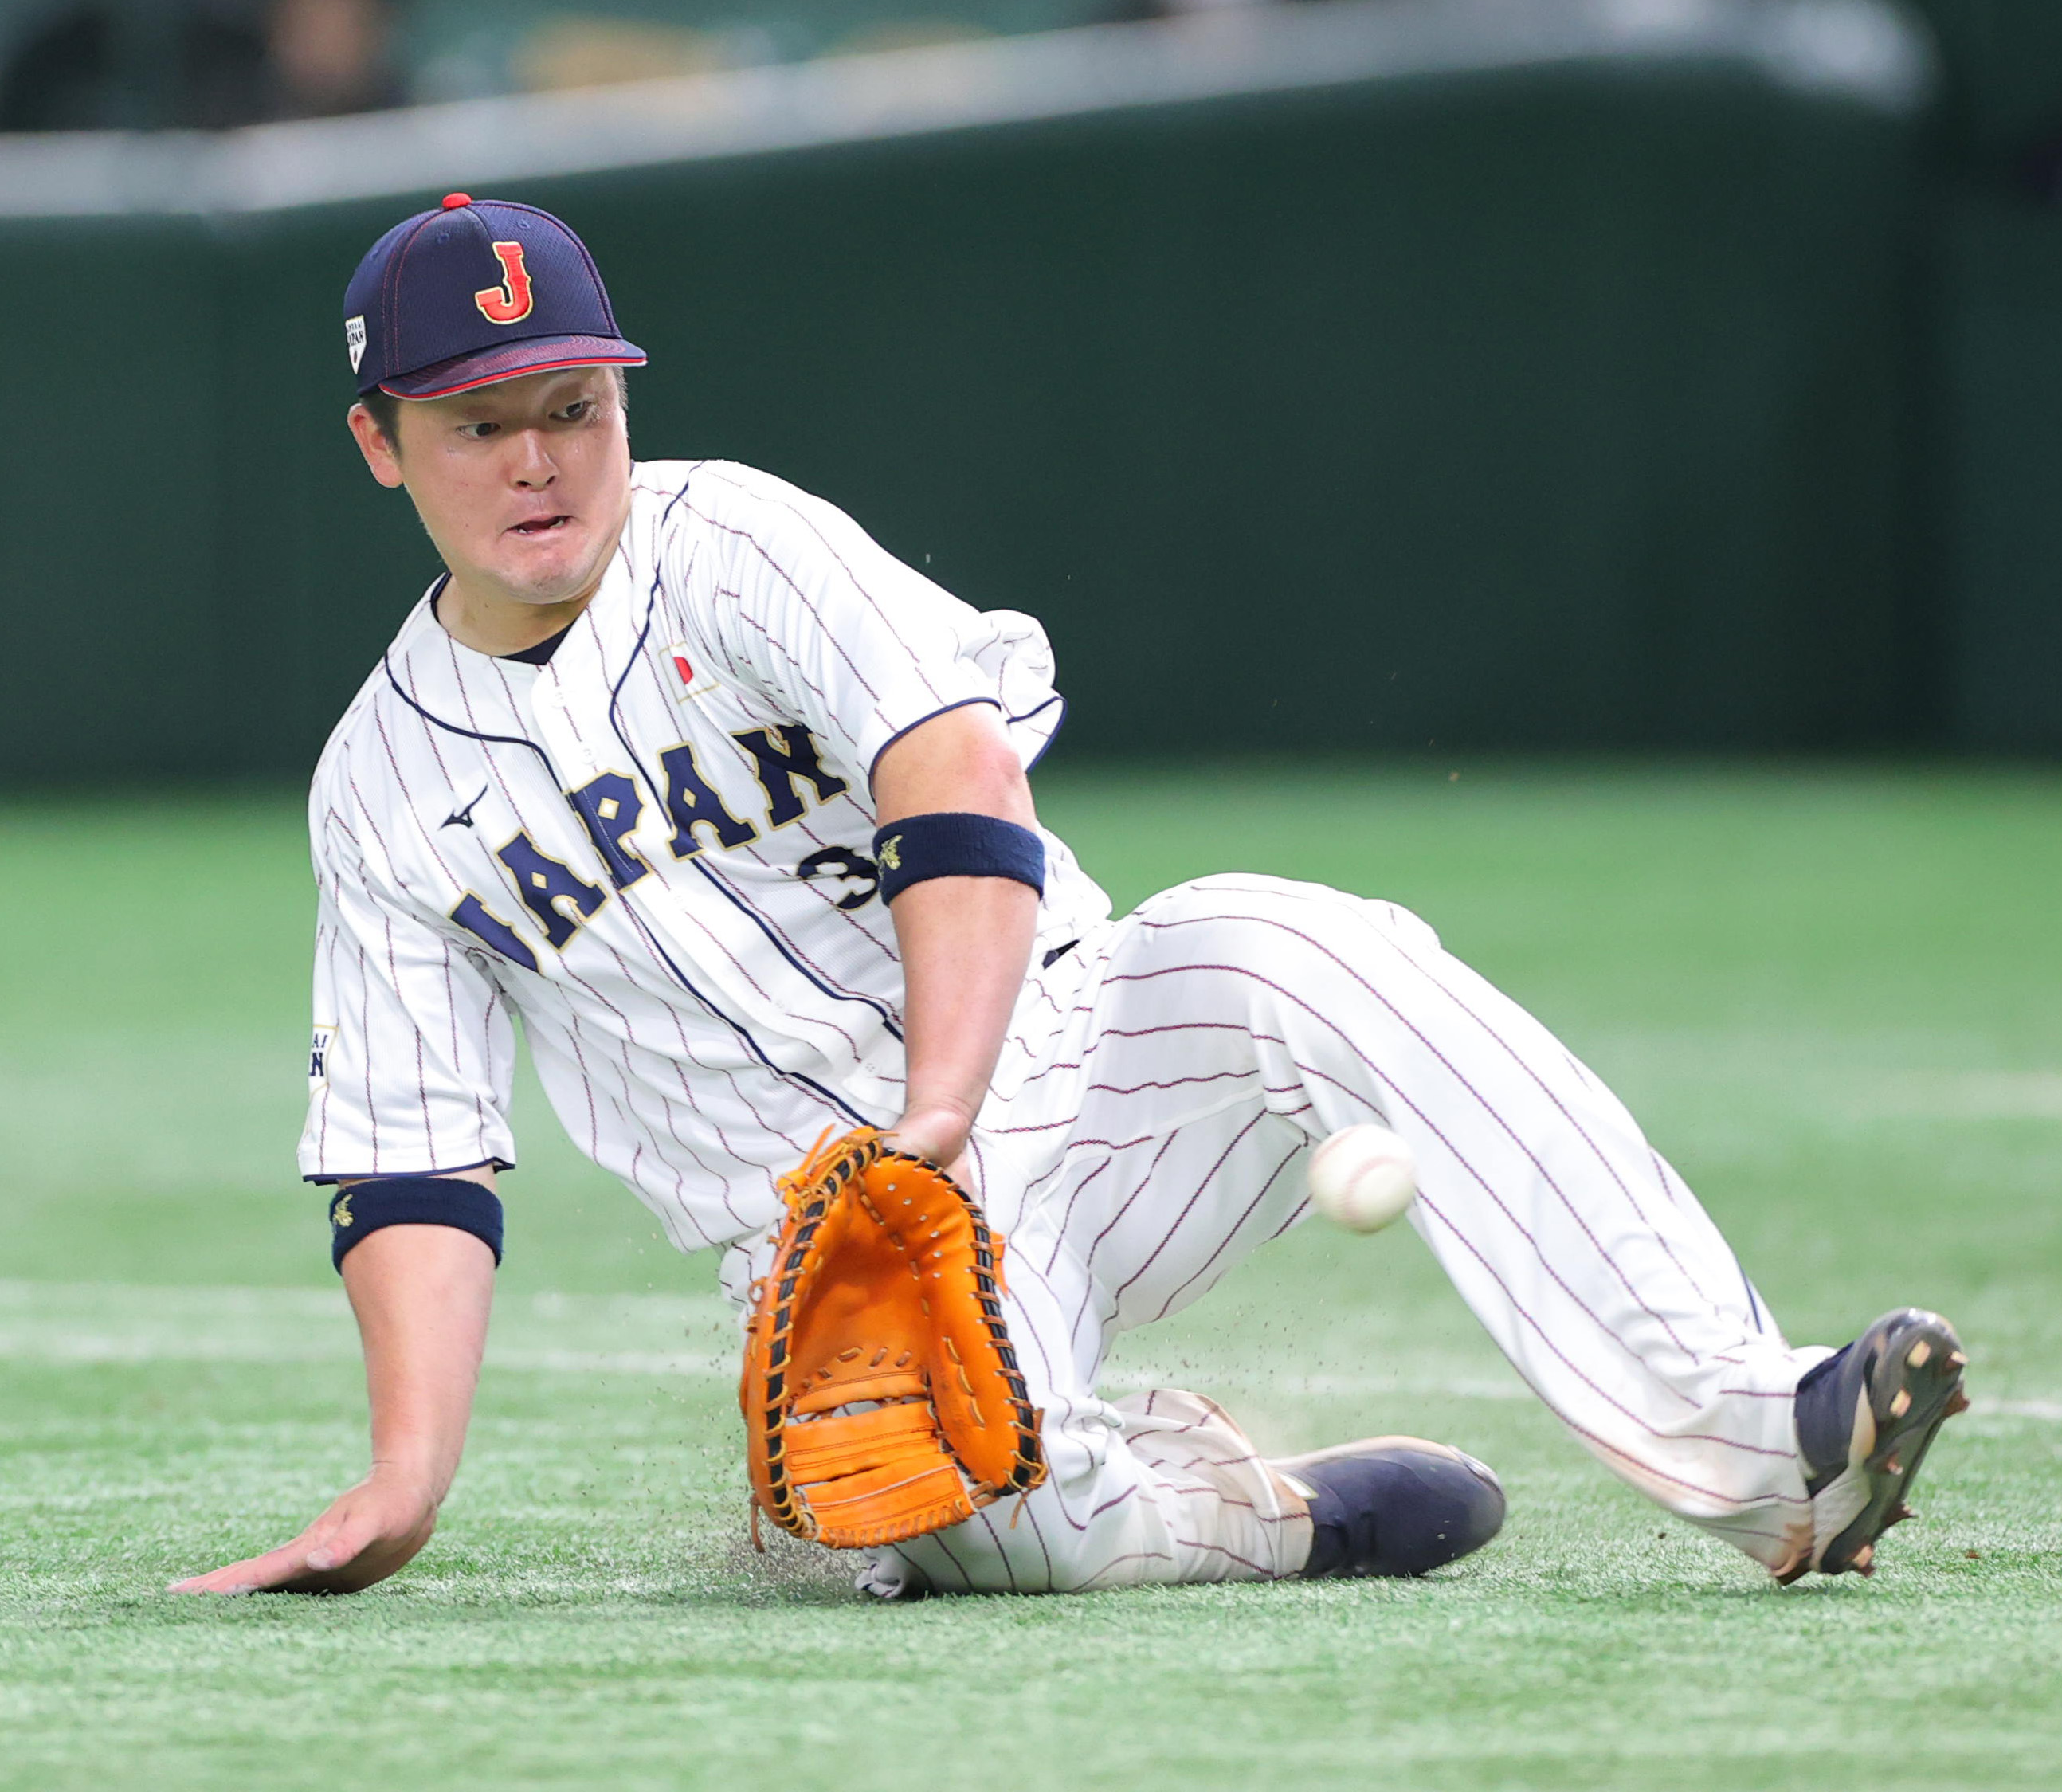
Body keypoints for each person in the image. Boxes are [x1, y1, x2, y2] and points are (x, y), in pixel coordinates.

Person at [172, 194, 1966, 1600]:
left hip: (1079, 1070)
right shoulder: (384, 792)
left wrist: (943, 1108)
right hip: (823, 1264)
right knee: (961, 1530)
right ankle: (1270, 1519)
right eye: (478, 424)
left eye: (572, 407)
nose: (539, 459)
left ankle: (1761, 1442)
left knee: (1295, 938)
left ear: (623, 399)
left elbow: (955, 775)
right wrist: (405, 1485)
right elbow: (416, 1154)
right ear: (379, 446)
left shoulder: (734, 542)